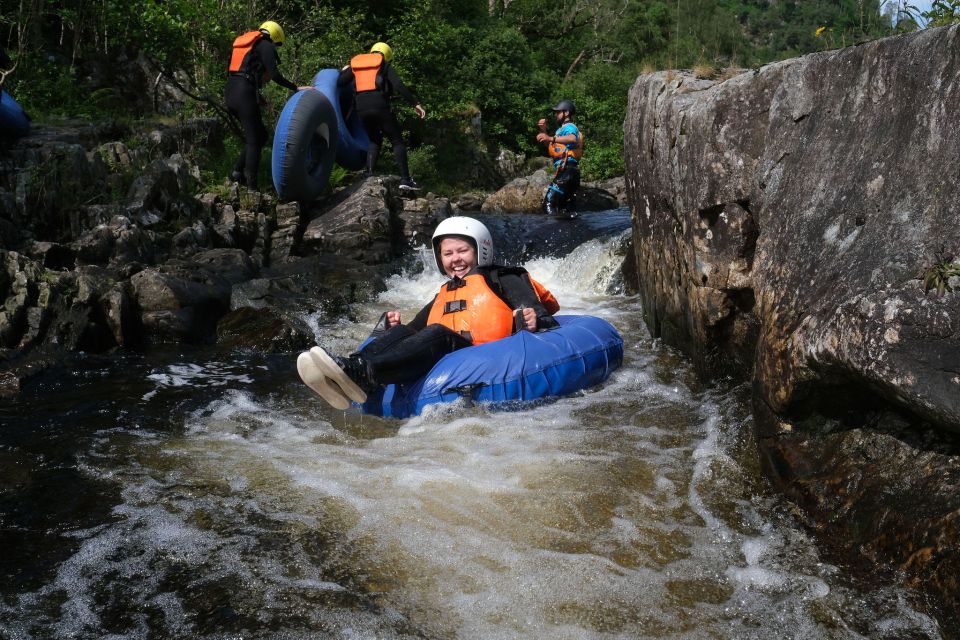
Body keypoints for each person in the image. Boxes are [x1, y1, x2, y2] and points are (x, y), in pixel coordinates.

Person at [300, 216, 560, 410]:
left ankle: (363, 372)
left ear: (481, 250)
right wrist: (385, 330)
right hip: (445, 348)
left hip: (486, 353)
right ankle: (349, 368)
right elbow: (413, 331)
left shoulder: (503, 277)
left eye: (462, 251)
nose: (455, 259)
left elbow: (541, 314)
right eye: (447, 253)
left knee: (438, 333)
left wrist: (534, 320)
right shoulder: (444, 293)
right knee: (403, 330)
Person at [338, 42, 426, 190]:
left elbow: (340, 82)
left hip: (361, 108)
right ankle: (405, 179)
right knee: (396, 140)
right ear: (386, 55)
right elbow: (398, 85)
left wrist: (345, 71)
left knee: (374, 139)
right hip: (380, 105)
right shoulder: (384, 65)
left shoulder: (356, 65)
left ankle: (369, 173)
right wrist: (415, 104)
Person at [224, 20, 299, 190]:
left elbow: (240, 72)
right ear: (275, 36)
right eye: (277, 43)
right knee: (254, 140)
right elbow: (274, 74)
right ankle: (251, 186)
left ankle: (236, 172)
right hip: (244, 92)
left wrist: (256, 95)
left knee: (260, 135)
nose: (276, 46)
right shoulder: (266, 45)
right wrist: (295, 87)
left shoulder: (246, 45)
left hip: (231, 91)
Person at [536, 99, 583, 218]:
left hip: (567, 172)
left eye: (558, 112)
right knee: (564, 208)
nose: (556, 115)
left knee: (549, 204)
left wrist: (550, 138)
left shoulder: (570, 127)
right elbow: (553, 148)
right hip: (570, 172)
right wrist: (544, 131)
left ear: (566, 113)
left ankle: (552, 230)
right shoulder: (559, 131)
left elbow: (573, 139)